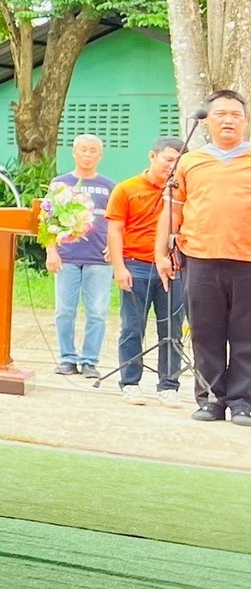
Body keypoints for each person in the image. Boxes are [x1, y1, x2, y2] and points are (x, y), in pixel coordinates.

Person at [159, 89, 251, 424]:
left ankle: (243, 402)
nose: (228, 120)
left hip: (247, 262)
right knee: (205, 332)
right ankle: (211, 399)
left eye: (235, 114)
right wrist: (161, 254)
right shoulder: (189, 161)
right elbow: (173, 209)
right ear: (207, 120)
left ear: (245, 120)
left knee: (247, 335)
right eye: (221, 114)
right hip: (199, 259)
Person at [107, 136, 185, 402]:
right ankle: (130, 382)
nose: (172, 167)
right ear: (152, 156)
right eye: (168, 160)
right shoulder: (126, 188)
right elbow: (115, 230)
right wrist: (119, 267)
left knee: (172, 329)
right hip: (135, 266)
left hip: (173, 268)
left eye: (178, 162)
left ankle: (169, 385)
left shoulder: (182, 192)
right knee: (132, 327)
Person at [45, 133, 116, 377]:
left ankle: (89, 361)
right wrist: (51, 251)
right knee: (65, 310)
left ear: (100, 155)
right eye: (83, 149)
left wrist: (115, 248)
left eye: (92, 150)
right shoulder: (60, 184)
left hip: (100, 258)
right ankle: (67, 358)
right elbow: (46, 221)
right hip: (67, 257)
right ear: (74, 153)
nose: (87, 154)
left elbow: (118, 222)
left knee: (97, 311)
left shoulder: (109, 187)